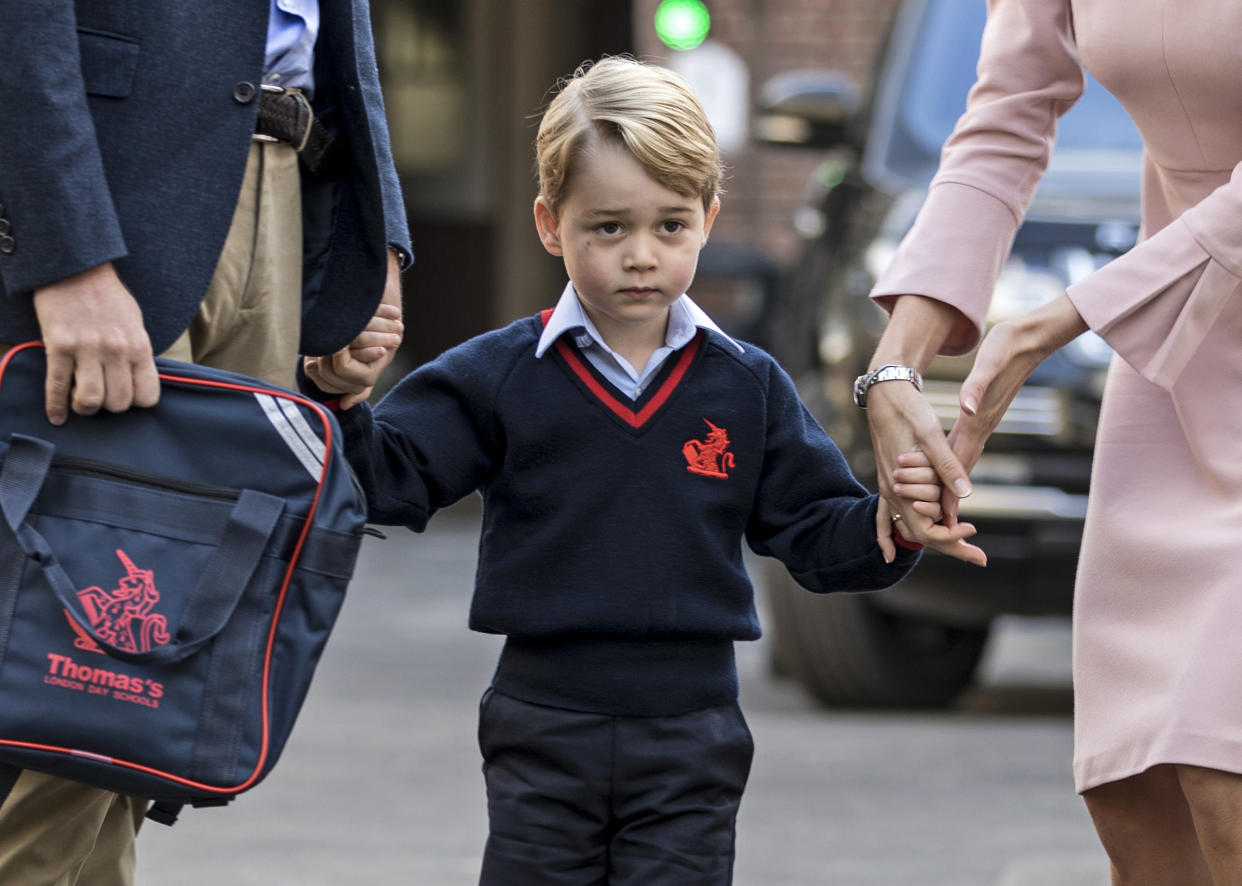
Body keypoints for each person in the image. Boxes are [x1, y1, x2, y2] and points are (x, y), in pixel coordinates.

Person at [302, 55, 928, 885]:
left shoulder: (746, 385)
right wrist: (340, 398)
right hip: (541, 720)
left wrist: (897, 517)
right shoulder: (499, 373)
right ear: (549, 223)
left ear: (708, 219)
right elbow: (387, 479)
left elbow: (818, 535)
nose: (641, 255)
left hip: (693, 730)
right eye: (608, 227)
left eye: (670, 225)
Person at [0, 2, 409, 884]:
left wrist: (371, 244)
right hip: (116, 191)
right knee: (72, 666)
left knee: (153, 682)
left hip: (283, 180)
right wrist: (65, 252)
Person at [864, 1, 1242, 882]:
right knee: (1135, 790)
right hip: (1177, 370)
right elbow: (1006, 116)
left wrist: (1072, 312)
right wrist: (895, 368)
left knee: (1225, 768)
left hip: (1156, 308)